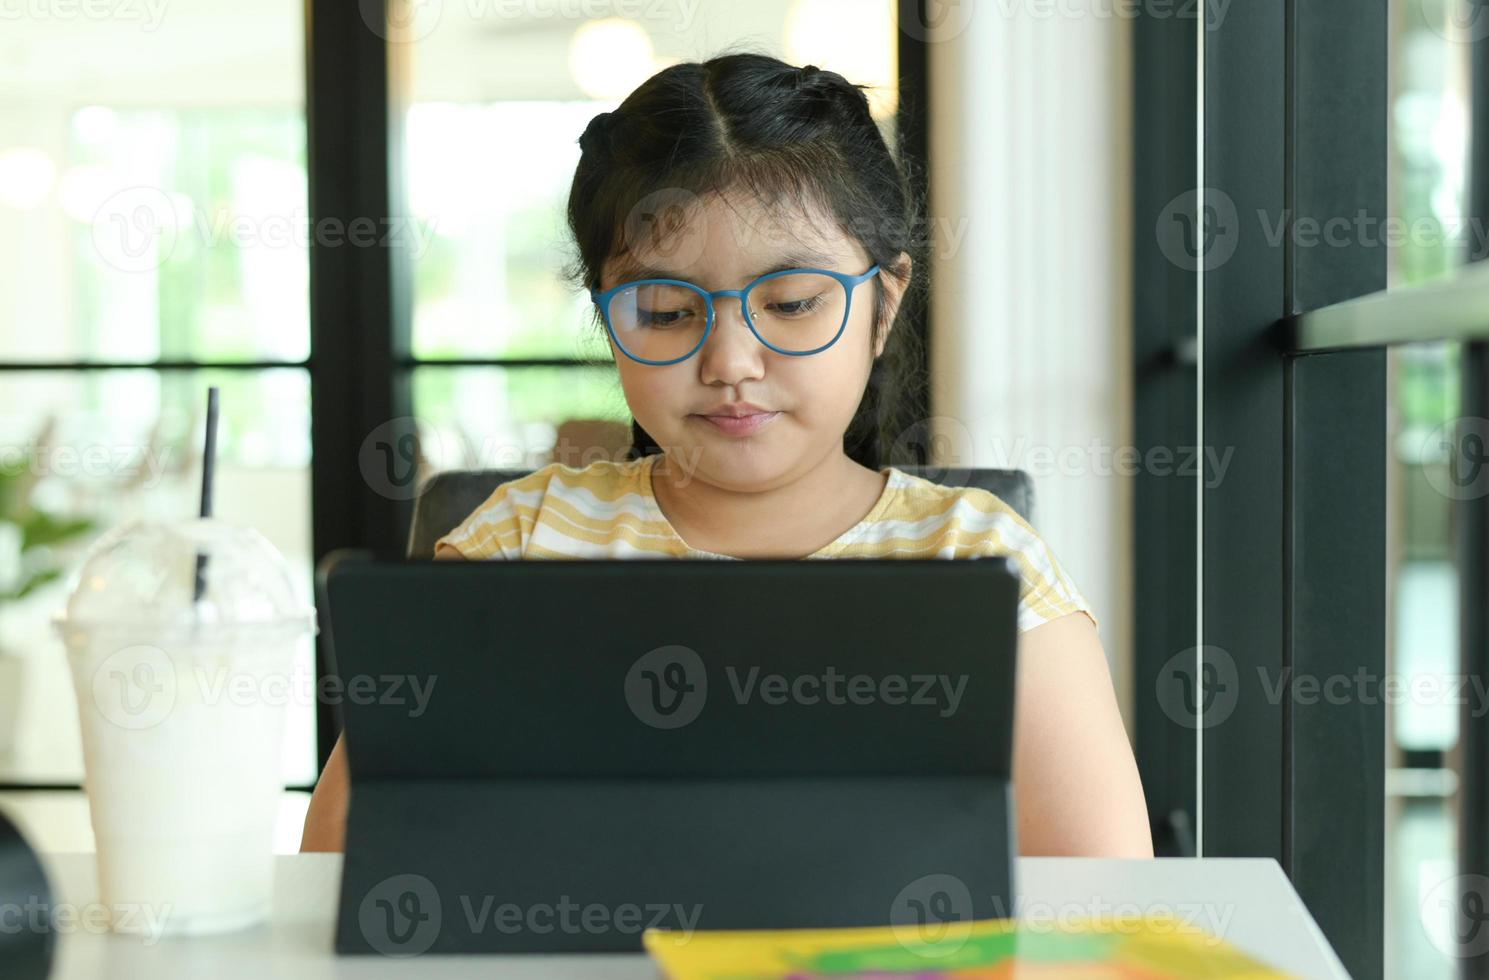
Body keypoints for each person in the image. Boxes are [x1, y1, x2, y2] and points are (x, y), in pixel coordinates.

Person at [302, 52, 1152, 858]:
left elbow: (1103, 886)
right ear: (608, 323)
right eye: (667, 311)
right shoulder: (522, 542)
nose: (731, 363)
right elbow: (341, 859)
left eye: (789, 303)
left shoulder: (978, 554)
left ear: (880, 306)